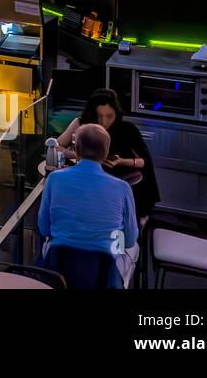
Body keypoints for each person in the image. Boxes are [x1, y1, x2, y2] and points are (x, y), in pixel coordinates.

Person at [38, 123, 139, 285]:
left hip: (59, 267)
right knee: (134, 248)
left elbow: (44, 228)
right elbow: (129, 240)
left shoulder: (54, 179)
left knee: (48, 243)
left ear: (76, 151)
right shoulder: (123, 188)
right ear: (106, 152)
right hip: (104, 274)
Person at [56, 89, 160, 217]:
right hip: (90, 186)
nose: (104, 122)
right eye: (99, 116)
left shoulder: (128, 129)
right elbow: (56, 147)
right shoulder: (81, 124)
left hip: (120, 184)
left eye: (109, 116)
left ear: (116, 113)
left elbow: (145, 161)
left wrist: (121, 161)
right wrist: (80, 155)